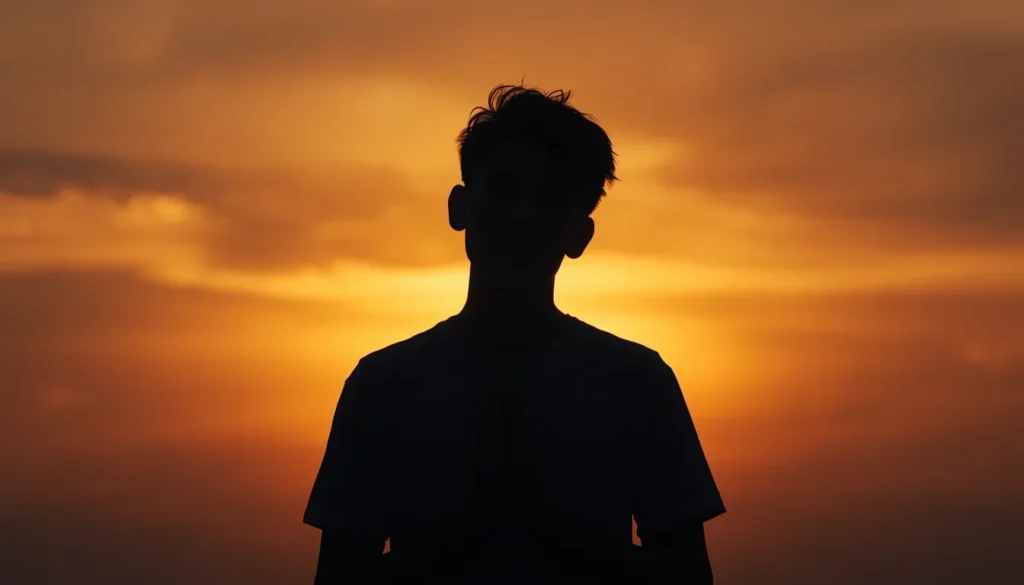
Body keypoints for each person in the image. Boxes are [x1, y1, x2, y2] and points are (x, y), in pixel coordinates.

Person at [304, 84, 725, 584]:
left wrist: (548, 531)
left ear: (578, 235)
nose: (521, 217)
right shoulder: (382, 387)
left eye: (548, 201)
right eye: (503, 190)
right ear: (460, 207)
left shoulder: (638, 384)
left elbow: (689, 575)